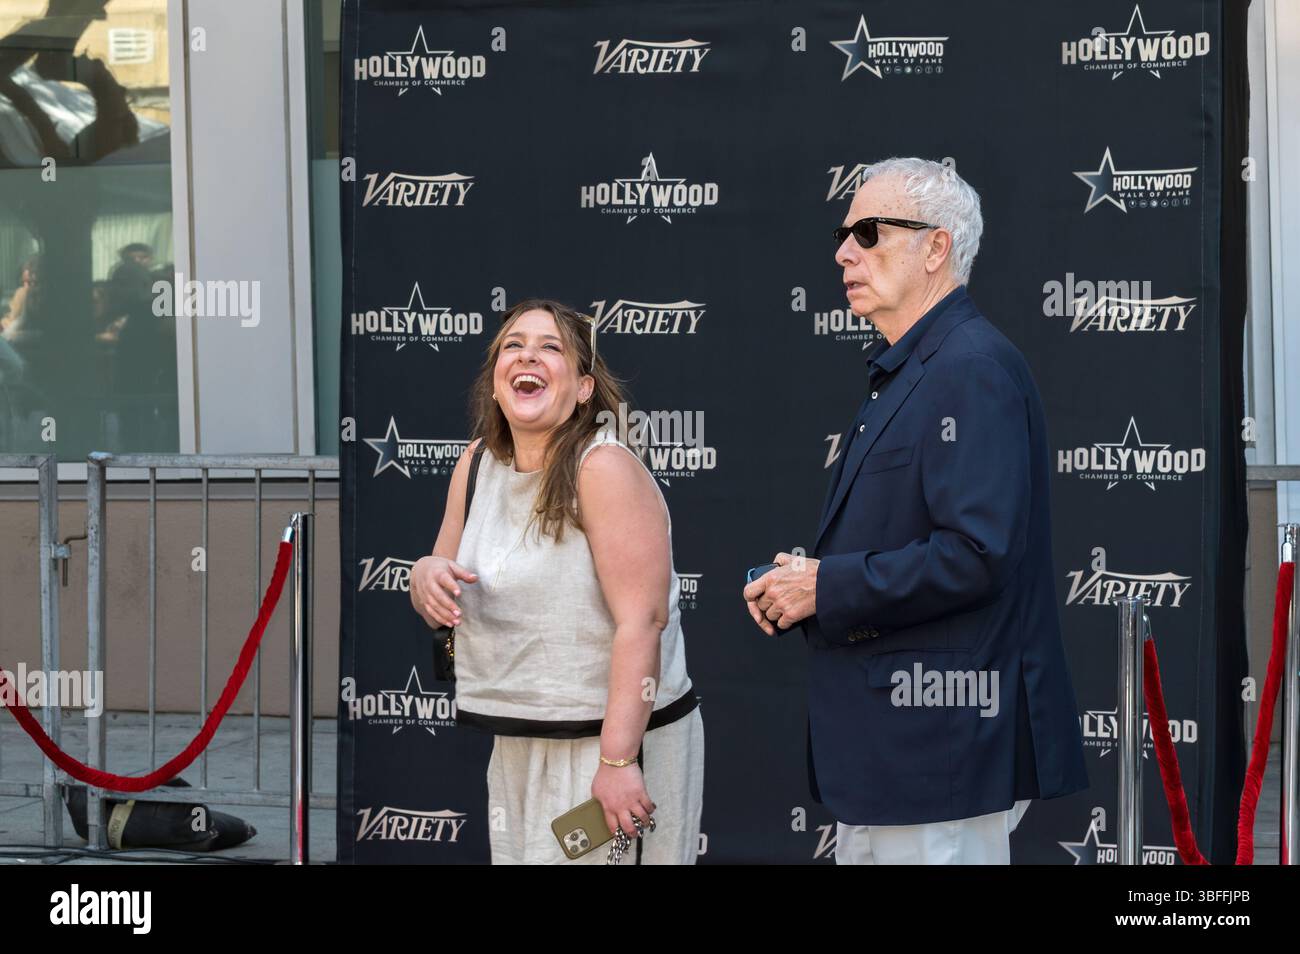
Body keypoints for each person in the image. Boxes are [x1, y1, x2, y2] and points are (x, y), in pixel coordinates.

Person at [742, 157, 1088, 864]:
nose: (844, 251)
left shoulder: (969, 367)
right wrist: (805, 583)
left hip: (941, 748)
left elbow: (977, 555)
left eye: (868, 232)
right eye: (842, 234)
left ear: (937, 247)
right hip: (894, 753)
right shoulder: (916, 366)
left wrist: (826, 587)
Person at [409, 298, 704, 864]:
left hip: (610, 743)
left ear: (585, 387)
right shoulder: (474, 464)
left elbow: (642, 622)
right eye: (514, 345)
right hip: (522, 736)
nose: (529, 357)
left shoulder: (603, 468)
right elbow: (439, 581)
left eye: (552, 348)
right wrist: (424, 577)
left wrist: (618, 763)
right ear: (496, 381)